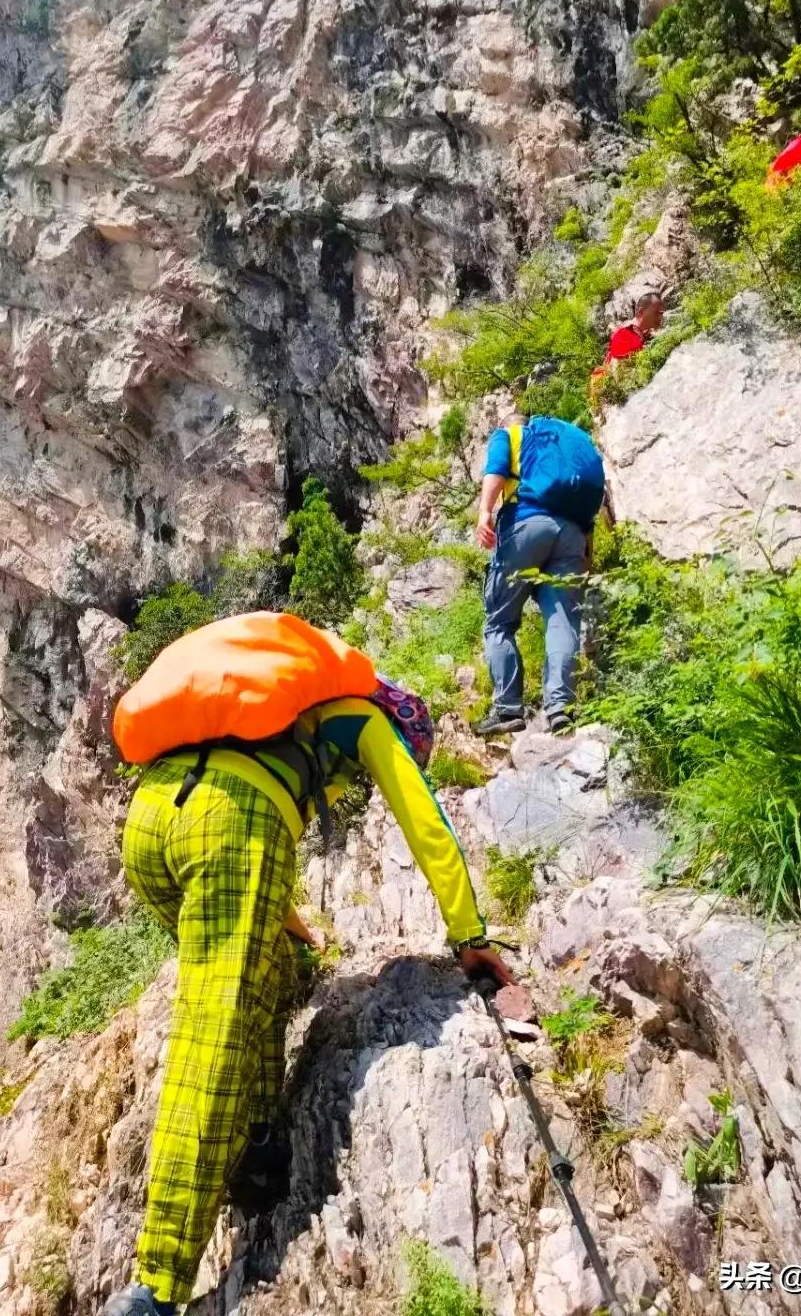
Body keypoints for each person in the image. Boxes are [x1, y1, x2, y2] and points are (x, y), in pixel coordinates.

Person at [103, 615, 514, 1316]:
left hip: (148, 824)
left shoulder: (280, 715)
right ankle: (157, 1284)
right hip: (231, 819)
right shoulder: (364, 717)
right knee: (214, 1030)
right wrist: (469, 933)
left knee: (279, 969)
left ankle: (257, 1143)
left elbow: (219, 811)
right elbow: (425, 823)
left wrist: (291, 927)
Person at [475, 415, 606, 737]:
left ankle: (507, 708)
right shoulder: (563, 445)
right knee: (562, 619)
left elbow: (496, 470)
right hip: (573, 533)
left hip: (527, 524)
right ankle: (561, 708)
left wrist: (484, 513)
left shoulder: (510, 435)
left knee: (499, 621)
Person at [591, 290, 664, 384]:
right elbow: (618, 376)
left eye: (661, 313)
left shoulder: (642, 334)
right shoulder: (624, 335)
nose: (660, 317)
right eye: (656, 313)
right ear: (641, 312)